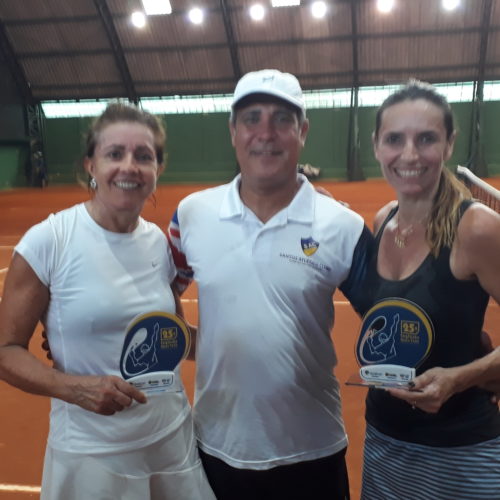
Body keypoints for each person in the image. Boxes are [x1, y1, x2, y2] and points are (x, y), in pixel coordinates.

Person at [167, 69, 373, 499]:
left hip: (313, 451)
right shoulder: (192, 214)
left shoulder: (342, 226)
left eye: (282, 119)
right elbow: (157, 292)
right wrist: (191, 342)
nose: (266, 133)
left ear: (303, 131)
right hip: (216, 447)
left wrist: (463, 356)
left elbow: (388, 314)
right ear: (233, 131)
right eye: (252, 118)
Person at [0, 103, 215, 500]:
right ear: (91, 165)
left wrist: (245, 342)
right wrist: (74, 389)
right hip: (92, 454)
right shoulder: (49, 241)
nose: (129, 167)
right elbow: (5, 350)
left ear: (158, 168)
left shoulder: (158, 243)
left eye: (143, 156)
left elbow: (170, 336)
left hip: (171, 440)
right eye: (115, 153)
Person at [357, 80, 500, 500]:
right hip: (384, 444)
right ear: (376, 146)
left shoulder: (476, 228)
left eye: (426, 139)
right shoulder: (383, 219)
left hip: (461, 454)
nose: (409, 155)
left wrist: (461, 378)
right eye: (394, 140)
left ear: (449, 143)